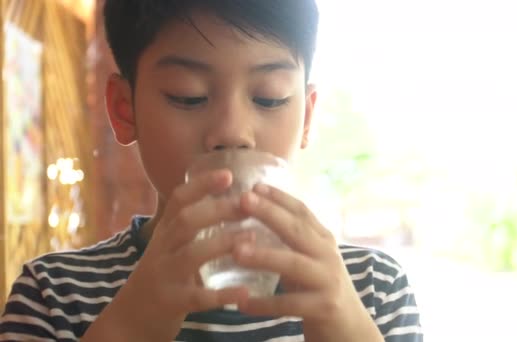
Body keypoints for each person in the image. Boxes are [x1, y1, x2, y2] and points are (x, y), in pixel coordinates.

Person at [0, 1, 422, 341]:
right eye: (188, 96)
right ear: (124, 109)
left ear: (307, 118)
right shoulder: (53, 294)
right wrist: (133, 323)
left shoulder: (373, 289)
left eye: (269, 98)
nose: (232, 133)